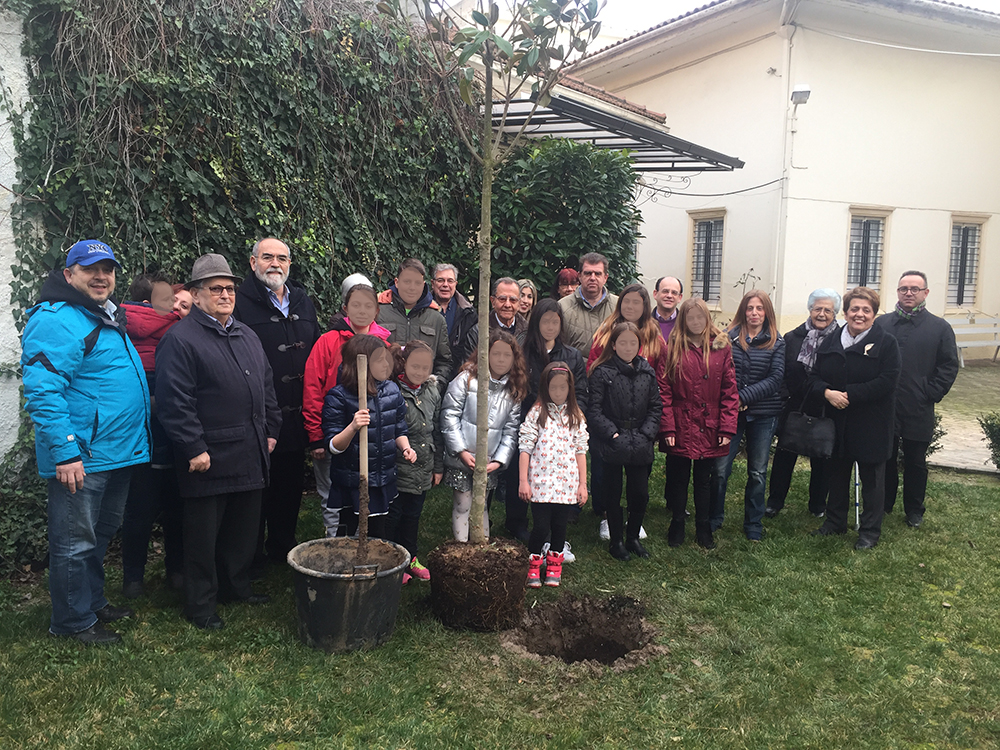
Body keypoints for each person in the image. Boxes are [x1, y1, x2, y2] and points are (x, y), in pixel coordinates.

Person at [21, 240, 151, 644]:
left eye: (108, 269)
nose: (101, 277)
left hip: (116, 452)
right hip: (82, 457)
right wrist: (65, 452)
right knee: (74, 542)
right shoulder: (57, 319)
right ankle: (72, 622)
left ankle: (91, 602)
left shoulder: (102, 315)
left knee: (99, 533)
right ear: (69, 275)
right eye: (90, 268)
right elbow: (43, 389)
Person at [155, 254, 281, 630]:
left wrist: (271, 430)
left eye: (230, 288)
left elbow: (266, 386)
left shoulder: (245, 334)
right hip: (208, 456)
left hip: (249, 449)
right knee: (202, 537)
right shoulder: (181, 339)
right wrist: (193, 447)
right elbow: (175, 401)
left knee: (242, 531)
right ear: (195, 295)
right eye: (216, 289)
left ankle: (235, 587)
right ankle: (201, 604)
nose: (226, 294)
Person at [234, 238, 320, 570]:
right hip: (257, 412)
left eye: (282, 258)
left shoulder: (302, 300)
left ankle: (282, 546)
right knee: (256, 491)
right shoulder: (241, 302)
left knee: (289, 486)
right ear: (253, 261)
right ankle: (250, 557)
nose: (275, 264)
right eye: (267, 257)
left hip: (297, 413)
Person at [809, 287, 901, 550]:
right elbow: (815, 377)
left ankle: (870, 531)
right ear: (846, 312)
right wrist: (827, 393)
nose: (859, 314)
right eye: (854, 309)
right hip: (838, 422)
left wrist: (850, 395)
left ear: (874, 314)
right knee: (836, 474)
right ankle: (835, 522)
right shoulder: (831, 341)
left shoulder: (887, 343)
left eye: (866, 310)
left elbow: (888, 380)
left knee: (872, 479)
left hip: (872, 422)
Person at [303, 279, 390, 536]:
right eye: (356, 305)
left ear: (376, 310)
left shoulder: (383, 341)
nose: (362, 311)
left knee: (364, 491)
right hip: (336, 428)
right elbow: (312, 387)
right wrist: (316, 437)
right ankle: (335, 543)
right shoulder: (328, 341)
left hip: (371, 433)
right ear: (345, 308)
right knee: (332, 492)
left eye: (368, 306)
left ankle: (364, 542)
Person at [874, 270, 959, 528]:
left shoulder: (939, 328)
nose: (908, 293)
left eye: (914, 289)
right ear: (897, 292)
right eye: (903, 289)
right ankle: (884, 503)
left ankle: (914, 510)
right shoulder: (882, 324)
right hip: (884, 406)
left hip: (918, 405)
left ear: (925, 293)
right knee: (884, 458)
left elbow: (948, 365)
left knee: (915, 461)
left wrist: (930, 393)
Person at [120, 272, 184, 599]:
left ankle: (133, 579)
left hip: (135, 432)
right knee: (177, 505)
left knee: (137, 510)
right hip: (173, 428)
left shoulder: (118, 326)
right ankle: (176, 572)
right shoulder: (178, 327)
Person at [586, 283, 666, 542]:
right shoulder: (606, 332)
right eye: (626, 302)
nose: (631, 307)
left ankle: (634, 519)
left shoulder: (654, 336)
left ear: (645, 306)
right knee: (607, 475)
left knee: (638, 479)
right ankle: (608, 517)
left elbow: (660, 381)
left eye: (637, 303)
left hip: (642, 421)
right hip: (613, 417)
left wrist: (649, 430)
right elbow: (594, 369)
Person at [510, 298, 589, 555]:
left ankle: (559, 527)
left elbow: (581, 394)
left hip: (563, 424)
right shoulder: (523, 351)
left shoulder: (572, 355)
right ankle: (518, 523)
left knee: (560, 472)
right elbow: (516, 387)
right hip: (530, 420)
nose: (550, 326)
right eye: (545, 321)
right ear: (536, 322)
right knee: (522, 473)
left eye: (555, 321)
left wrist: (575, 415)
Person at [661, 299, 738, 549]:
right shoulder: (671, 347)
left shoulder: (720, 348)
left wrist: (727, 427)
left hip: (709, 423)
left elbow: (729, 390)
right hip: (681, 421)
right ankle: (677, 523)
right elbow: (664, 391)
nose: (695, 323)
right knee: (678, 476)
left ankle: (703, 527)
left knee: (704, 479)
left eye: (700, 317)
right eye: (690, 318)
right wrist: (668, 427)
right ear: (683, 320)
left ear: (707, 319)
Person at [322, 335, 416, 539]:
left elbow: (399, 427)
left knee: (377, 531)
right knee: (346, 530)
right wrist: (353, 426)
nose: (386, 364)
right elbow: (333, 446)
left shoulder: (391, 391)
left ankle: (374, 567)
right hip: (352, 479)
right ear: (360, 364)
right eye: (379, 360)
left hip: (382, 477)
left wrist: (406, 447)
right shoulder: (338, 397)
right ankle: (342, 566)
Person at [710, 290, 785, 542]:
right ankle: (714, 516)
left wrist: (743, 398)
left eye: (760, 308)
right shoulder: (727, 338)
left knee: (757, 472)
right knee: (720, 468)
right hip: (730, 414)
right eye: (750, 308)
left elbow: (775, 379)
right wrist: (733, 401)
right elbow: (718, 372)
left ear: (767, 313)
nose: (754, 313)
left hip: (764, 414)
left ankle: (753, 522)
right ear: (743, 310)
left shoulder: (777, 341)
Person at [441, 329, 526, 542]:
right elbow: (449, 414)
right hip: (463, 459)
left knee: (482, 503)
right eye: (495, 353)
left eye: (507, 355)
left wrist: (499, 460)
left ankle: (481, 545)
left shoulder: (512, 391)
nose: (500, 359)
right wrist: (460, 450)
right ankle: (461, 546)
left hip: (489, 462)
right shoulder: (466, 380)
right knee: (463, 504)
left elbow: (510, 430)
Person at [765, 289, 842, 519]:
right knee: (785, 455)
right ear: (810, 310)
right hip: (796, 404)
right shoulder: (792, 337)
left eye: (828, 310)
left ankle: (818, 504)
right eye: (818, 308)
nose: (822, 314)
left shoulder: (842, 339)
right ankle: (775, 501)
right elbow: (784, 371)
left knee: (823, 458)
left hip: (826, 406)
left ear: (835, 313)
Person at [518, 362, 588, 587]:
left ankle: (554, 567)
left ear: (570, 389)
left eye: (563, 388)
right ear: (545, 388)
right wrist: (523, 481)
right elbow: (525, 448)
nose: (558, 393)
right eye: (553, 388)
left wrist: (582, 485)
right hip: (540, 485)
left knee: (560, 527)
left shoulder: (576, 416)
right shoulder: (537, 413)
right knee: (541, 527)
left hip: (566, 486)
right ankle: (534, 565)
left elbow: (580, 451)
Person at [385, 340, 444, 584]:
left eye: (425, 367)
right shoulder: (392, 390)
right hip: (398, 465)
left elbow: (437, 429)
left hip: (424, 465)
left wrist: (438, 466)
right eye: (415, 366)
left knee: (413, 515)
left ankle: (411, 558)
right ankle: (392, 561)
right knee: (394, 515)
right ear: (403, 363)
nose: (420, 372)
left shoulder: (432, 391)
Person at [377, 258, 452, 381]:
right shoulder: (379, 313)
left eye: (417, 283)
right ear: (397, 282)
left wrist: (436, 388)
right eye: (407, 281)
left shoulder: (436, 319)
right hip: (385, 392)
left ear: (423, 285)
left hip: (422, 394)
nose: (412, 287)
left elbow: (444, 362)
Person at [558, 253, 619, 353]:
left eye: (598, 274)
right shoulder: (562, 307)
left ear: (605, 278)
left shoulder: (618, 306)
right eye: (588, 273)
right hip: (573, 368)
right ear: (579, 276)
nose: (592, 278)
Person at [432, 263, 478, 378]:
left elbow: (470, 351)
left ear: (456, 284)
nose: (445, 285)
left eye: (450, 281)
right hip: (427, 374)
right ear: (433, 284)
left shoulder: (468, 313)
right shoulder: (421, 309)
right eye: (441, 280)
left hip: (457, 375)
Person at [489, 276, 529, 343]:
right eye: (502, 299)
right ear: (493, 301)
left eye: (513, 300)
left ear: (519, 303)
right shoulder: (479, 332)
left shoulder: (528, 331)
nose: (507, 305)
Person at [652, 276, 684, 343]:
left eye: (674, 293)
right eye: (665, 291)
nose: (669, 296)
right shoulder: (644, 323)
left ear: (680, 297)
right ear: (655, 294)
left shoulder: (685, 324)